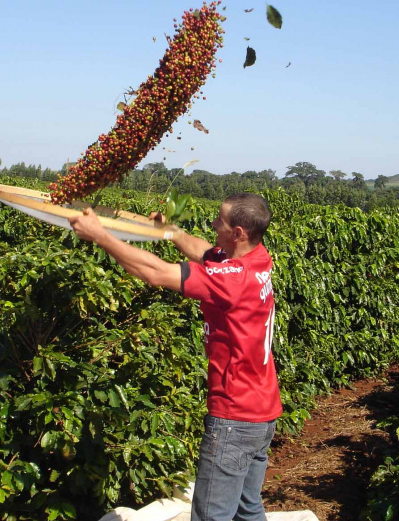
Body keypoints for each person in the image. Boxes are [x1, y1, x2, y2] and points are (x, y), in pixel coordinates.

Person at [68, 193, 282, 521]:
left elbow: (155, 272)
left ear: (238, 232)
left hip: (234, 418)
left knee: (212, 516)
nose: (212, 225)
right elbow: (204, 252)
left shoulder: (233, 281)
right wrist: (171, 232)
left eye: (219, 222)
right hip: (262, 413)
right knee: (247, 509)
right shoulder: (256, 258)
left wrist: (101, 236)